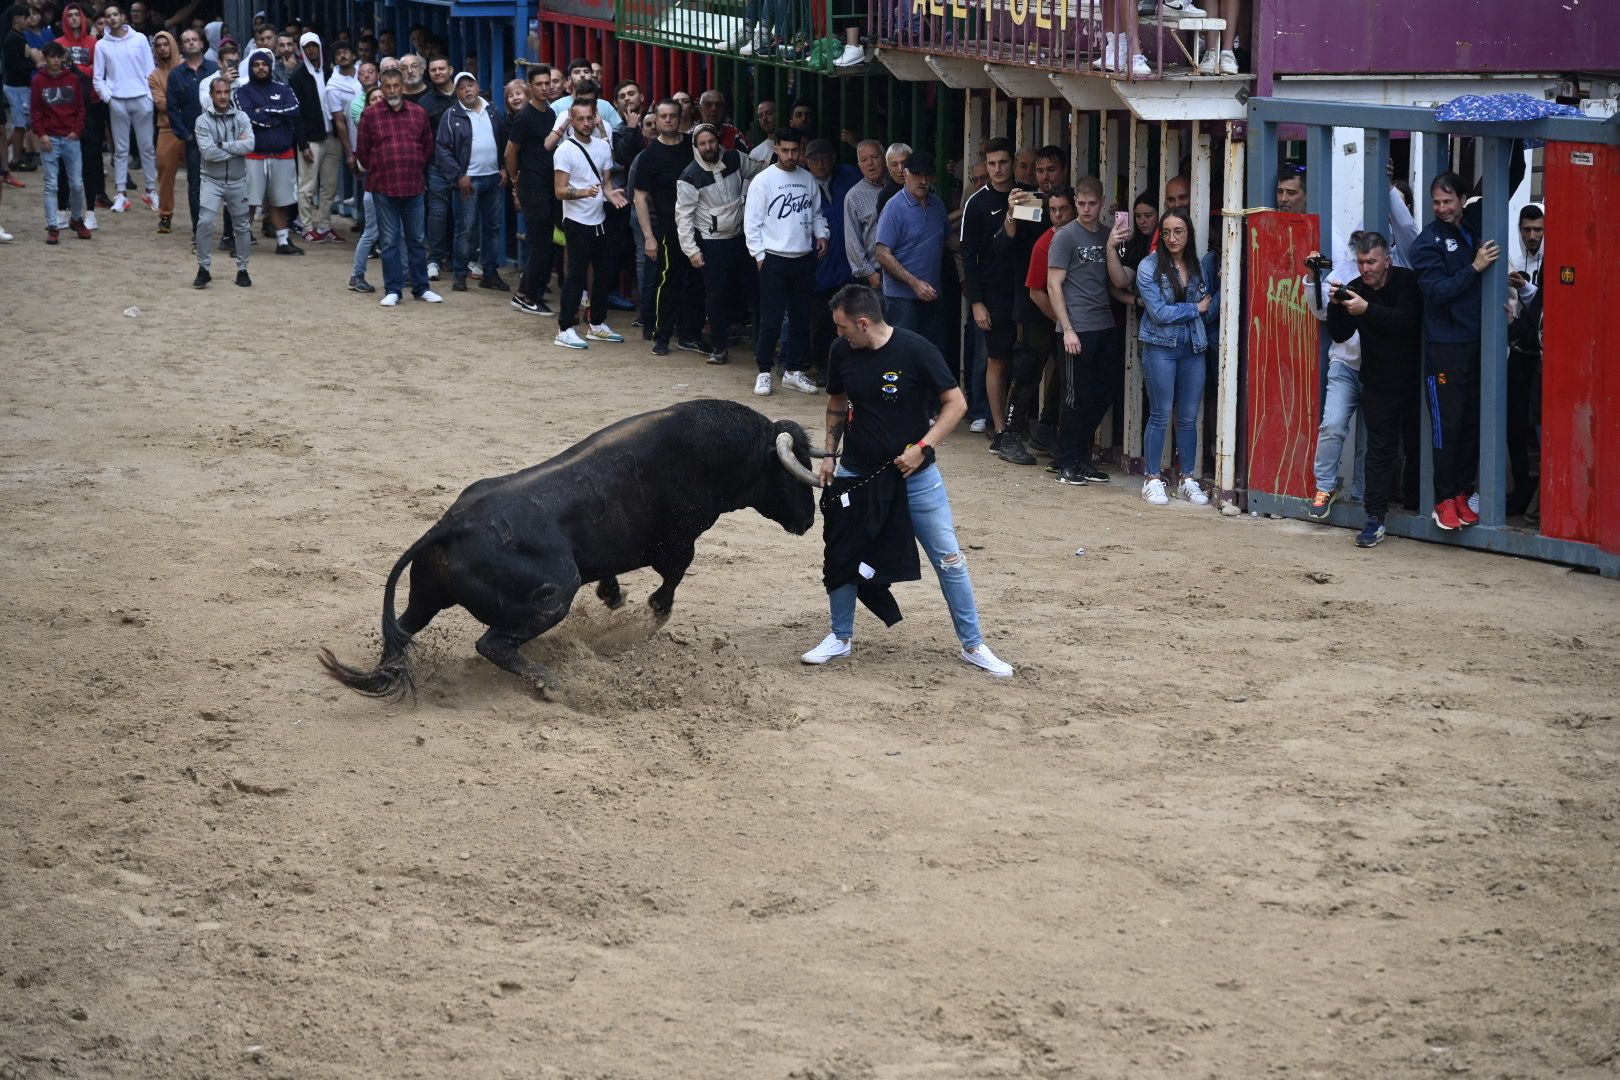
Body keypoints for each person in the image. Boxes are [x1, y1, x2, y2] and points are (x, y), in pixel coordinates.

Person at [803, 283, 1015, 679]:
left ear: (863, 323)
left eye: (843, 327)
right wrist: (831, 455)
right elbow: (836, 402)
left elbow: (957, 403)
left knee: (950, 559)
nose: (838, 334)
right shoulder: (841, 352)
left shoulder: (917, 350)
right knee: (843, 555)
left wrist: (923, 446)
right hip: (858, 474)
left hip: (916, 478)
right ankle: (840, 637)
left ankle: (974, 645)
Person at [1318, 232, 1423, 548]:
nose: (1366, 269)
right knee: (1379, 453)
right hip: (1378, 382)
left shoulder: (1406, 281)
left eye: (1372, 261)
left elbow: (1407, 321)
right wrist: (1338, 306)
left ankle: (1419, 507)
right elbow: (1340, 334)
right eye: (1362, 262)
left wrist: (1367, 310)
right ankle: (1375, 519)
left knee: (1418, 446)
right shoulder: (1358, 290)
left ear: (1387, 260)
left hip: (1414, 379)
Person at [1411, 171, 1495, 530]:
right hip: (1444, 347)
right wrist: (1475, 268)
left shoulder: (1475, 220)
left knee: (1472, 423)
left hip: (1477, 342)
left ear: (1463, 199)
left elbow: (1505, 177)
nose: (1442, 208)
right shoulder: (1426, 242)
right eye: (1436, 202)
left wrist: (1514, 136)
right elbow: (1436, 291)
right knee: (1447, 425)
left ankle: (1462, 493)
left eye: (1448, 201)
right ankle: (1443, 500)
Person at [1131, 207, 1219, 505]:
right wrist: (1196, 309)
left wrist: (1202, 307)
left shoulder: (1199, 265)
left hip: (1193, 346)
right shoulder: (1148, 266)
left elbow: (1209, 300)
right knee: (1160, 413)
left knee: (1188, 417)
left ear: (1188, 233)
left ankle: (1187, 478)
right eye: (1166, 232)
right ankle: (1152, 477)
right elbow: (1158, 313)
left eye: (1178, 231)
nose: (1172, 237)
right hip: (1161, 347)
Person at [957, 137, 1037, 465]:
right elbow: (969, 256)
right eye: (991, 164)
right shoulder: (976, 203)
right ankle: (1000, 430)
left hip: (1026, 290)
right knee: (997, 360)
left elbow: (1029, 245)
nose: (997, 169)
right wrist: (976, 302)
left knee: (1028, 361)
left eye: (1003, 163)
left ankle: (1019, 427)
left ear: (1013, 164)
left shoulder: (1026, 196)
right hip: (993, 293)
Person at [743, 126, 828, 396]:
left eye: (795, 150)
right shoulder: (763, 180)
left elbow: (817, 213)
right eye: (785, 150)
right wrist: (759, 255)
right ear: (776, 148)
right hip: (774, 258)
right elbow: (752, 223)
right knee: (771, 319)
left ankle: (793, 370)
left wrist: (821, 234)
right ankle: (764, 371)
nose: (790, 155)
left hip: (803, 257)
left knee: (802, 318)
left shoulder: (808, 179)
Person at [674, 121, 765, 365]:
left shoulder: (736, 159)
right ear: (696, 146)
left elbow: (762, 174)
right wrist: (691, 251)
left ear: (718, 141)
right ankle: (720, 347)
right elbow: (683, 217)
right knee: (716, 297)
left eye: (711, 141)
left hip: (741, 238)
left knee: (756, 291)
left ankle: (762, 344)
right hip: (712, 243)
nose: (708, 147)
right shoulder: (689, 176)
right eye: (702, 143)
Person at [356, 66, 443, 306]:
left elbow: (427, 147)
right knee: (390, 240)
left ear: (403, 87)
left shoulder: (418, 113)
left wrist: (412, 164)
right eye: (388, 86)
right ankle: (393, 289)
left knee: (416, 238)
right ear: (381, 87)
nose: (393, 90)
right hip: (383, 187)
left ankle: (421, 287)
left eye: (397, 86)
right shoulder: (371, 115)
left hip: (413, 184)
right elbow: (362, 153)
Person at [551, 97, 627, 348]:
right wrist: (584, 192)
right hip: (576, 220)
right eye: (580, 118)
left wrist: (611, 194)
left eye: (589, 117)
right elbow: (560, 191)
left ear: (596, 118)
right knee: (576, 275)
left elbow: (605, 183)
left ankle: (597, 323)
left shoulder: (603, 147)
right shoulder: (565, 150)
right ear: (571, 121)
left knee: (604, 273)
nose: (585, 123)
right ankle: (565, 328)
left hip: (600, 219)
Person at [1301, 235, 1368, 518]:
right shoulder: (1346, 269)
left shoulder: (1397, 264)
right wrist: (1313, 278)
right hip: (1345, 362)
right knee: (1332, 425)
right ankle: (1326, 487)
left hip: (1380, 365)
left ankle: (1365, 497)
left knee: (1372, 438)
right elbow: (1320, 312)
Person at [635, 97, 705, 356]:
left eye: (672, 116)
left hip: (700, 227)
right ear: (656, 118)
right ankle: (661, 335)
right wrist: (649, 237)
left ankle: (691, 335)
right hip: (669, 230)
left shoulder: (692, 147)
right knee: (669, 281)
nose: (667, 120)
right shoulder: (650, 156)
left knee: (698, 282)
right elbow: (640, 197)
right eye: (663, 116)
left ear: (680, 117)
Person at [436, 70, 508, 292]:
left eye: (471, 85)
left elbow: (505, 140)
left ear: (478, 87)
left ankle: (490, 273)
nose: (467, 89)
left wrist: (505, 168)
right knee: (465, 229)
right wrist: (458, 176)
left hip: (494, 178)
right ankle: (460, 274)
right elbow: (442, 149)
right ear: (456, 92)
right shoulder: (451, 115)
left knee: (493, 228)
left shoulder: (493, 110)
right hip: (469, 181)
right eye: (462, 87)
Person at [874, 148, 948, 343]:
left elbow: (948, 240)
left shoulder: (937, 204)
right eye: (917, 175)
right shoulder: (894, 207)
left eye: (927, 176)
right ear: (905, 175)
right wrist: (915, 284)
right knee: (903, 355)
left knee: (931, 353)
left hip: (932, 295)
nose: (923, 181)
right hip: (902, 298)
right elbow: (881, 254)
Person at [234, 47, 303, 254]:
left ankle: (283, 242)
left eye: (264, 64)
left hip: (282, 153)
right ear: (251, 67)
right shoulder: (242, 92)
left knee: (280, 201)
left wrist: (264, 111)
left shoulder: (284, 89)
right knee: (248, 201)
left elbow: (294, 111)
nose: (261, 68)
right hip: (253, 155)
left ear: (270, 66)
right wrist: (277, 120)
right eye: (256, 65)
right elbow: (246, 117)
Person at [92, 3, 158, 213]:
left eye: (115, 14)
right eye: (108, 16)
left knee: (147, 148)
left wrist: (149, 97)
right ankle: (121, 194)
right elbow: (98, 78)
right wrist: (109, 98)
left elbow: (150, 70)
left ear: (123, 16)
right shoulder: (102, 45)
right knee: (121, 150)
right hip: (117, 101)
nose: (112, 18)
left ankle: (151, 191)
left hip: (141, 99)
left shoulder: (139, 39)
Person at [805, 137, 860, 384]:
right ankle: (822, 367)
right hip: (820, 264)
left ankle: (850, 367)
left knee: (852, 317)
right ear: (806, 162)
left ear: (835, 157)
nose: (821, 163)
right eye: (815, 158)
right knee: (821, 321)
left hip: (849, 263)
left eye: (826, 156)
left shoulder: (848, 175)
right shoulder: (802, 184)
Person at [191, 74, 253, 287]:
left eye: (226, 92)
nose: (223, 96)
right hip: (211, 179)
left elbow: (251, 145)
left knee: (243, 226)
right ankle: (203, 268)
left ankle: (243, 269)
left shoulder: (242, 117)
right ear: (211, 95)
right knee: (205, 223)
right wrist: (237, 147)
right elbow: (208, 153)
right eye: (219, 92)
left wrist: (223, 145)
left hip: (237, 179)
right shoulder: (202, 120)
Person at [505, 61, 554, 314]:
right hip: (532, 186)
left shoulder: (551, 113)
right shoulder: (524, 117)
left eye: (548, 83)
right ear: (530, 87)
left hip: (549, 186)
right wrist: (516, 182)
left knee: (547, 244)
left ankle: (529, 291)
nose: (545, 88)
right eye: (540, 84)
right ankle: (526, 295)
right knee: (541, 244)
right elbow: (510, 153)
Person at [29, 40, 90, 242]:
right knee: (51, 184)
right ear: (46, 59)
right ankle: (53, 225)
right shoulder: (38, 80)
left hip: (70, 137)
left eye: (58, 56)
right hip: (50, 139)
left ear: (63, 57)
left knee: (77, 183)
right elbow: (35, 110)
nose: (55, 60)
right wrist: (41, 134)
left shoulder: (72, 79)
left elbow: (81, 108)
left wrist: (77, 130)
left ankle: (77, 219)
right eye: (51, 56)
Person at [1506, 203, 1544, 518]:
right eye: (1527, 229)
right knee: (1514, 427)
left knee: (1540, 428)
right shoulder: (1514, 260)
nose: (1532, 236)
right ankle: (1522, 492)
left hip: (1542, 359)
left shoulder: (1554, 262)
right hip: (1517, 357)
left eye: (1538, 230)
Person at [285, 30, 338, 243]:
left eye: (314, 46)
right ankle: (307, 226)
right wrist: (302, 143)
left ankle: (324, 226)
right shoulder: (297, 76)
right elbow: (296, 114)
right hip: (311, 139)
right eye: (307, 47)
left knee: (330, 185)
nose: (312, 50)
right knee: (307, 186)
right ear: (302, 50)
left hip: (332, 136)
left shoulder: (328, 72)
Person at [54, 2, 105, 215]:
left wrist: (75, 71)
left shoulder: (94, 43)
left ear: (83, 18)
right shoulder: (58, 43)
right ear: (65, 19)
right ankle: (63, 208)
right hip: (64, 107)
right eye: (70, 15)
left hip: (91, 105)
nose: (74, 18)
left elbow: (99, 71)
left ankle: (93, 205)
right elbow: (55, 72)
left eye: (77, 15)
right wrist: (85, 71)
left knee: (92, 156)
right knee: (64, 161)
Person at [165, 27, 215, 240]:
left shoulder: (215, 70)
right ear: (182, 46)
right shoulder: (176, 74)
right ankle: (199, 230)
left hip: (218, 137)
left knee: (225, 185)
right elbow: (172, 108)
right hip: (193, 139)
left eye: (195, 39)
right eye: (187, 40)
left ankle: (228, 233)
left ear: (202, 43)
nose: (191, 43)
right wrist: (185, 135)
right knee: (196, 185)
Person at [344, 82, 385, 292]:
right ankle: (357, 275)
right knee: (371, 232)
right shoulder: (366, 126)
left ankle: (405, 274)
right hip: (374, 186)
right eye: (373, 99)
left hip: (392, 187)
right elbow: (363, 161)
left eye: (381, 98)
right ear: (367, 105)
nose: (378, 102)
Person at [145, 30, 182, 232]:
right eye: (158, 45)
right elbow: (160, 104)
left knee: (200, 174)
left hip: (191, 125)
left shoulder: (186, 67)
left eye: (165, 44)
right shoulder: (154, 76)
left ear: (172, 45)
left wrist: (173, 102)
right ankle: (165, 214)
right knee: (165, 171)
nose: (162, 48)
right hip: (167, 128)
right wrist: (181, 101)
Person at [842, 138, 885, 290]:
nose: (870, 163)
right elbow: (852, 240)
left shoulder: (899, 187)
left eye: (874, 157)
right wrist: (869, 274)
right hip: (877, 275)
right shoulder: (854, 196)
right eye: (864, 160)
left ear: (884, 157)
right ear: (859, 165)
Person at [3, 4, 37, 175]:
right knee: (19, 125)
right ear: (17, 19)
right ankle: (15, 159)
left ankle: (6, 151)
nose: (28, 20)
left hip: (21, 86)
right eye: (25, 17)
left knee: (24, 124)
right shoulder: (12, 39)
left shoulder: (18, 36)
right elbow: (12, 65)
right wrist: (34, 63)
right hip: (16, 87)